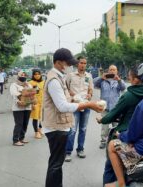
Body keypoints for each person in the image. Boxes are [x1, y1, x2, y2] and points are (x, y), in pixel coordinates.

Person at [42, 48, 104, 187]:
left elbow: (69, 97)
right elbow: (63, 106)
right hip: (56, 127)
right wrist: (88, 105)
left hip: (59, 125)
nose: (70, 66)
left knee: (57, 163)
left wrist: (82, 100)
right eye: (68, 63)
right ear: (58, 62)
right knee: (56, 164)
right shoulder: (54, 80)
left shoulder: (59, 77)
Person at [96, 63, 143, 187]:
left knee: (110, 161)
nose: (129, 78)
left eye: (130, 76)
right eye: (110, 70)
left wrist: (101, 119)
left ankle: (114, 183)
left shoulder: (129, 95)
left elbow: (111, 115)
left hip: (127, 134)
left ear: (135, 79)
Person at [64, 56, 93, 162]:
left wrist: (90, 95)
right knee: (72, 130)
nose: (83, 65)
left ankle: (80, 149)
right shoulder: (70, 75)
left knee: (83, 129)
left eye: (85, 63)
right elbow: (65, 88)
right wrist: (71, 94)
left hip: (86, 105)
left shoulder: (89, 76)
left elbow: (90, 90)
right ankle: (68, 152)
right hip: (74, 106)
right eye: (81, 63)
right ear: (77, 64)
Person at [94, 65, 126, 149]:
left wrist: (118, 80)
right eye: (110, 70)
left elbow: (123, 88)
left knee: (116, 126)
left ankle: (116, 141)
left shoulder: (119, 81)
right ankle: (103, 141)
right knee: (104, 126)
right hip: (105, 108)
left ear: (116, 71)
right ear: (108, 71)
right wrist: (101, 78)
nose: (112, 71)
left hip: (116, 108)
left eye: (114, 70)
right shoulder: (103, 81)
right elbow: (95, 85)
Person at [10, 71, 33, 146]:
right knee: (19, 123)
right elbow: (14, 94)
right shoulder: (14, 85)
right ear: (18, 76)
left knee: (25, 124)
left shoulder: (28, 84)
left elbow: (32, 94)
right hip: (18, 108)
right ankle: (15, 140)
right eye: (21, 75)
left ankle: (21, 138)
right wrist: (18, 100)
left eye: (24, 75)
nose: (23, 76)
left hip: (27, 107)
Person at [29, 69, 45, 139]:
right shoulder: (30, 83)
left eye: (38, 74)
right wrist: (32, 103)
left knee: (42, 118)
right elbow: (28, 94)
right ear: (33, 75)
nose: (37, 75)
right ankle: (36, 132)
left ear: (41, 74)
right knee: (35, 118)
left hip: (43, 103)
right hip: (35, 103)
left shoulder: (44, 82)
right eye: (35, 74)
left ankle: (40, 129)